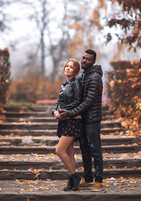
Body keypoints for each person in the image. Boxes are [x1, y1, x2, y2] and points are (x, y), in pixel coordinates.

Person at [59, 49, 104, 192]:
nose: (84, 61)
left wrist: (70, 113)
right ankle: (88, 179)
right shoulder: (82, 76)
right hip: (82, 120)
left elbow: (88, 102)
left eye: (88, 59)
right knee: (84, 150)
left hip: (92, 119)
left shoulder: (95, 78)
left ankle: (99, 181)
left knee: (95, 150)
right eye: (83, 58)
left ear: (93, 62)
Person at [52, 59, 83, 191]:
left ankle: (74, 176)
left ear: (75, 71)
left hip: (73, 120)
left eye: (71, 67)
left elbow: (77, 102)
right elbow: (58, 102)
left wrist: (63, 111)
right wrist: (54, 111)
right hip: (64, 121)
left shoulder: (76, 83)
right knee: (69, 152)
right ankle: (72, 182)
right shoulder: (64, 85)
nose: (68, 68)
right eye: (66, 66)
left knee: (59, 150)